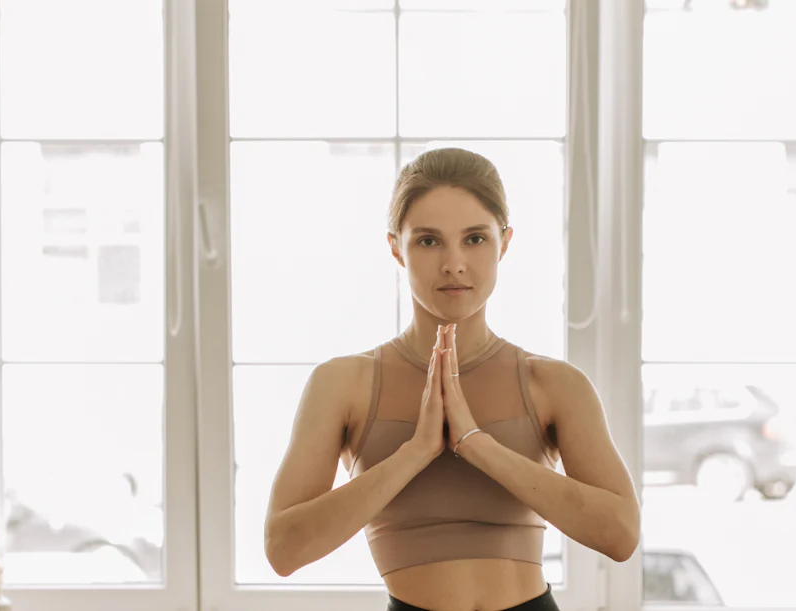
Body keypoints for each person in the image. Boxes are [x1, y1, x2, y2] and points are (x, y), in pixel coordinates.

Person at [264, 147, 640, 611]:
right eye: (428, 241)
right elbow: (284, 550)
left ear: (504, 242)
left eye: (475, 239)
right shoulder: (345, 384)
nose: (454, 263)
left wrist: (477, 443)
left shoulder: (554, 384)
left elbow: (621, 536)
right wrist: (416, 451)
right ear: (395, 247)